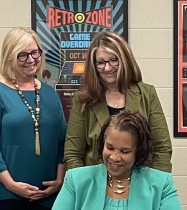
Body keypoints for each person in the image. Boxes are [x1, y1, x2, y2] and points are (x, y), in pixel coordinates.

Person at [22, 111, 185, 210]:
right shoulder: (76, 178)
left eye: (125, 151)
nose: (114, 157)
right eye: (110, 147)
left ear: (139, 152)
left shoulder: (160, 181)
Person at [0, 27, 67, 210]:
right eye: (22, 54)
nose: (31, 59)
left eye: (35, 52)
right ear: (10, 56)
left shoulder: (50, 94)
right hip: (5, 194)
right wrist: (11, 184)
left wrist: (59, 181)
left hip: (45, 195)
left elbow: (62, 142)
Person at [64, 31, 172, 173]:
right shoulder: (83, 100)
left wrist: (156, 185)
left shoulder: (147, 94)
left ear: (124, 60)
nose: (107, 68)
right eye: (101, 63)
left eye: (113, 60)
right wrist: (83, 186)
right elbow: (73, 154)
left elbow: (162, 148)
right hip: (96, 184)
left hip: (141, 183)